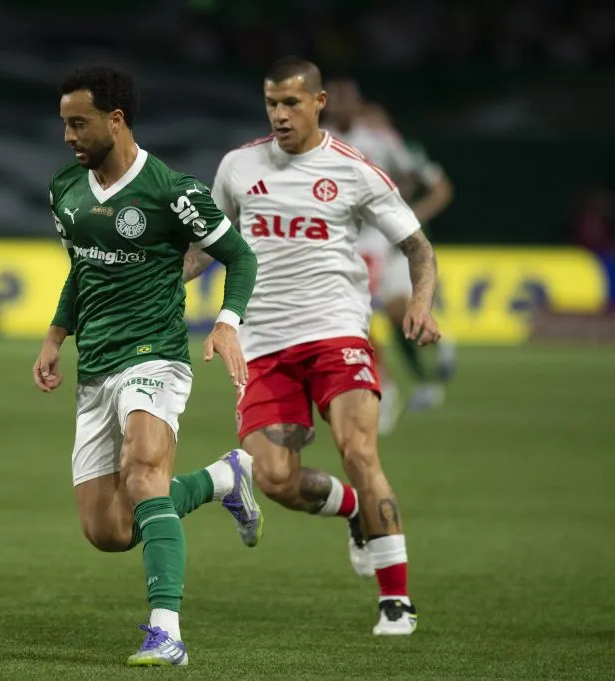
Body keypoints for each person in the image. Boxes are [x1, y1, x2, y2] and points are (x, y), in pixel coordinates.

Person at [183, 57, 441, 635]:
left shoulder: (354, 170)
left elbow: (418, 248)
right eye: (271, 102)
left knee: (359, 449)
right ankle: (352, 510)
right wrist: (164, 281)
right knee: (273, 478)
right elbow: (206, 246)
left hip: (337, 333)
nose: (279, 114)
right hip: (263, 345)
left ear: (319, 102)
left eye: (291, 103)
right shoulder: (238, 167)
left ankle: (395, 600)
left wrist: (420, 302)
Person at [33, 66, 262, 666]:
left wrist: (226, 323)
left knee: (142, 473)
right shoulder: (65, 190)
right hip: (95, 367)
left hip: (155, 356)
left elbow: (239, 258)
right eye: (63, 123)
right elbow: (83, 270)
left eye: (78, 123)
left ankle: (166, 632)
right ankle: (221, 480)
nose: (68, 136)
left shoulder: (172, 191)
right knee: (108, 531)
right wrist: (57, 335)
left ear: (116, 119)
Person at [325, 80, 455, 422]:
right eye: (333, 99)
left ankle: (394, 385)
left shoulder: (380, 141)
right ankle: (388, 386)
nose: (340, 105)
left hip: (376, 242)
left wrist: (402, 214)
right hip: (335, 242)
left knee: (384, 316)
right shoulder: (316, 139)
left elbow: (414, 175)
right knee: (355, 322)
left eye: (346, 99)